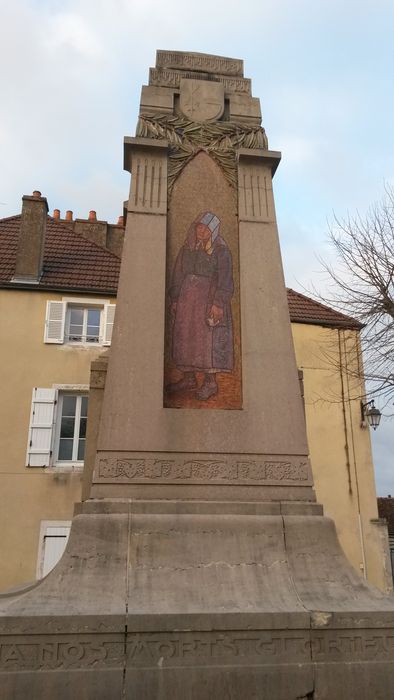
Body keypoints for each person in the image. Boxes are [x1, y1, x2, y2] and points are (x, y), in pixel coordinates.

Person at [167, 211, 234, 401]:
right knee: (186, 336)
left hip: (208, 300)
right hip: (187, 301)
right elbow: (178, 273)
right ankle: (188, 378)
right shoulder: (187, 249)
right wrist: (175, 298)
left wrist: (219, 303)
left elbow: (226, 279)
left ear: (213, 229)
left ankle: (210, 382)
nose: (201, 230)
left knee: (206, 340)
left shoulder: (221, 251)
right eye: (198, 226)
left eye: (205, 227)